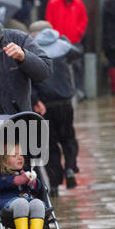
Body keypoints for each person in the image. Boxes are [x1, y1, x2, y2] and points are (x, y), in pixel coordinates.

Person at [29, 20, 80, 198]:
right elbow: (76, 53)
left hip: (44, 106)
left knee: (49, 147)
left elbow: (28, 79)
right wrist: (64, 39)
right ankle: (71, 168)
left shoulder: (31, 51)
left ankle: (56, 184)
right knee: (68, 139)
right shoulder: (62, 47)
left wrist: (34, 99)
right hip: (65, 102)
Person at [0, 143, 47, 229]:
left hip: (27, 200)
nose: (20, 157)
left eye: (21, 155)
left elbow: (38, 189)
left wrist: (33, 183)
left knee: (38, 204)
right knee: (21, 203)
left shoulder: (25, 171)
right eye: (14, 155)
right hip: (7, 203)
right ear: (4, 160)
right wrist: (13, 181)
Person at [45, 0, 88, 101]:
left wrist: (78, 32)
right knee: (60, 67)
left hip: (74, 41)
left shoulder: (78, 2)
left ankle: (79, 90)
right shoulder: (53, 3)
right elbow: (49, 21)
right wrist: (55, 36)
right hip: (58, 42)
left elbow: (83, 19)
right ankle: (63, 90)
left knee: (77, 66)